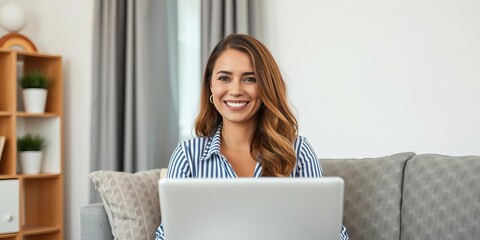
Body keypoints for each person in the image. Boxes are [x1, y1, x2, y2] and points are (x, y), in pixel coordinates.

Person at [155, 34, 349, 240]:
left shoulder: (298, 151)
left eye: (250, 79)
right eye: (224, 78)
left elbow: (331, 233)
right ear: (210, 86)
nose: (236, 90)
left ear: (266, 87)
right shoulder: (188, 155)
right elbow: (166, 236)